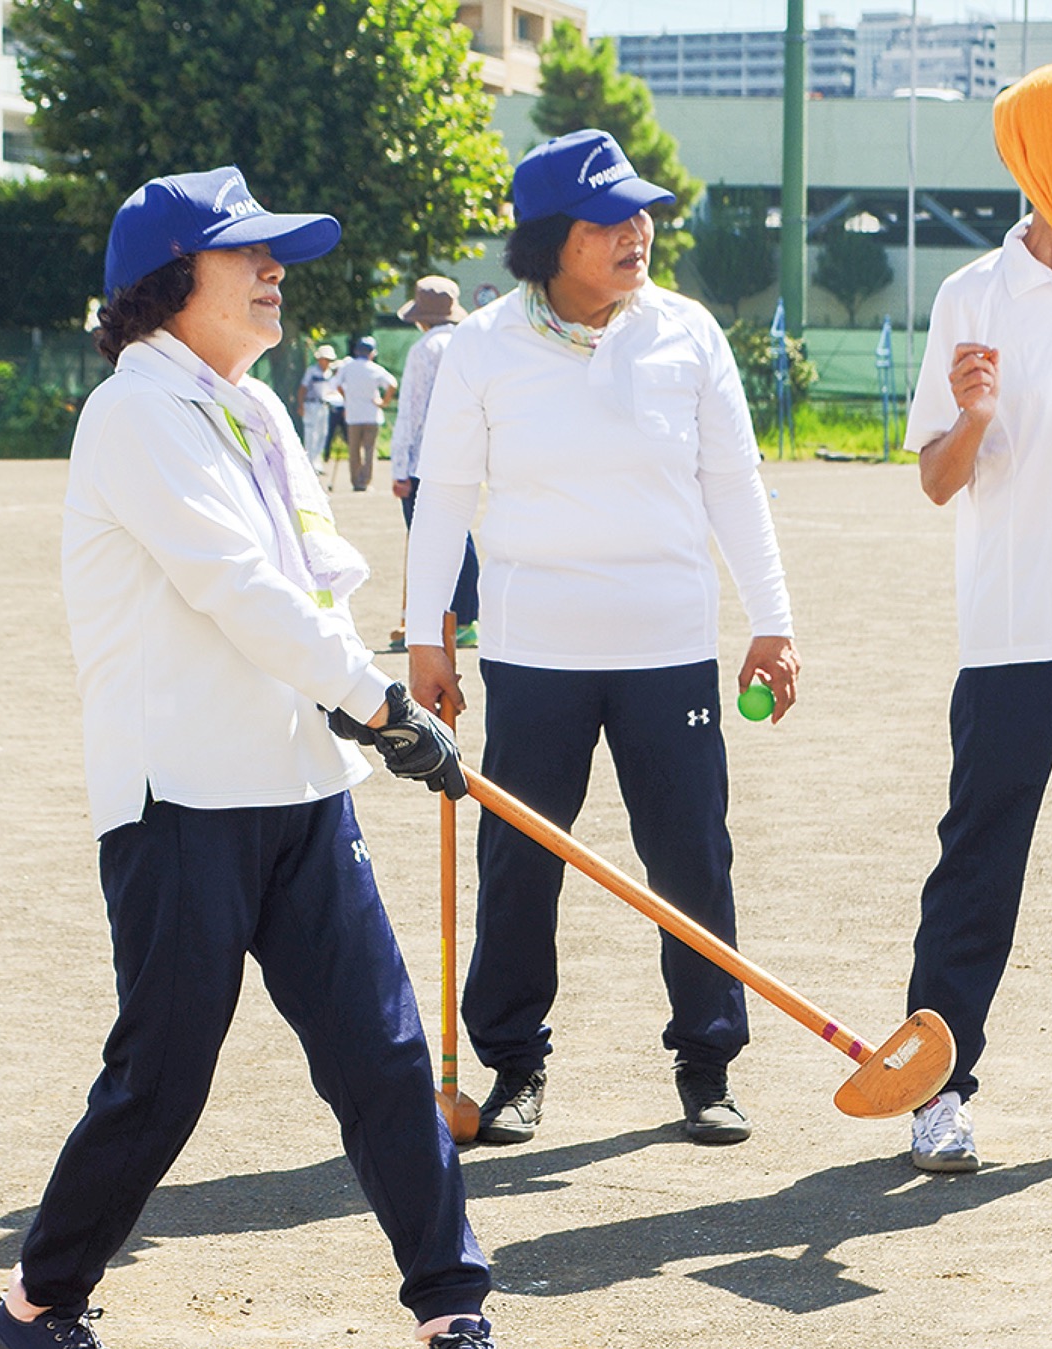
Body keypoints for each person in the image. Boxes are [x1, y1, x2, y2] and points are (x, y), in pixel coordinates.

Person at [0, 164, 518, 1349]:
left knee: (385, 1060)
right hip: (181, 798)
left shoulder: (258, 404)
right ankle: (37, 1310)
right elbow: (239, 588)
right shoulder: (135, 415)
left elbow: (314, 565)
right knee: (162, 1073)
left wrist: (352, 690)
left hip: (297, 784)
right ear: (170, 282)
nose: (278, 271)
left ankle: (457, 1316)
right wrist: (379, 700)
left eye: (280, 254)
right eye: (251, 255)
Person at [406, 129, 799, 1147]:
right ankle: (513, 1064)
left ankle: (707, 1061)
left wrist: (773, 620)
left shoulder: (687, 332)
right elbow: (444, 495)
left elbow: (734, 483)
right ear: (548, 241)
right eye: (610, 219)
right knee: (521, 861)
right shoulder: (482, 344)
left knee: (691, 855)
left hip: (671, 648)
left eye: (643, 213)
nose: (639, 232)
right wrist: (424, 638)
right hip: (537, 652)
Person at [902, 62, 1052, 1174]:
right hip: (1019, 624)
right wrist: (972, 416)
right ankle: (940, 1085)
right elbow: (936, 479)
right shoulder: (974, 295)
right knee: (981, 857)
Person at [389, 275, 480, 652]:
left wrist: (398, 468)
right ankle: (466, 619)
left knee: (427, 542)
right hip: (462, 454)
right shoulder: (468, 345)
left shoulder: (424, 349)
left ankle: (426, 622)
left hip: (422, 460)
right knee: (460, 536)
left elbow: (410, 412)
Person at [334, 333, 397, 490]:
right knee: (369, 450)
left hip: (353, 415)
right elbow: (393, 384)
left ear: (356, 351)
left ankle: (356, 482)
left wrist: (346, 397)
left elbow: (336, 384)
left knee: (354, 450)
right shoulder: (375, 369)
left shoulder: (347, 367)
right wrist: (384, 402)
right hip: (372, 414)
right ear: (372, 353)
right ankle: (365, 482)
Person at [296, 341, 338, 472]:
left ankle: (316, 461)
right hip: (311, 404)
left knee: (322, 434)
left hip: (324, 406)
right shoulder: (312, 371)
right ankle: (309, 463)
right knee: (310, 434)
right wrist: (301, 405)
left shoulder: (330, 373)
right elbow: (302, 388)